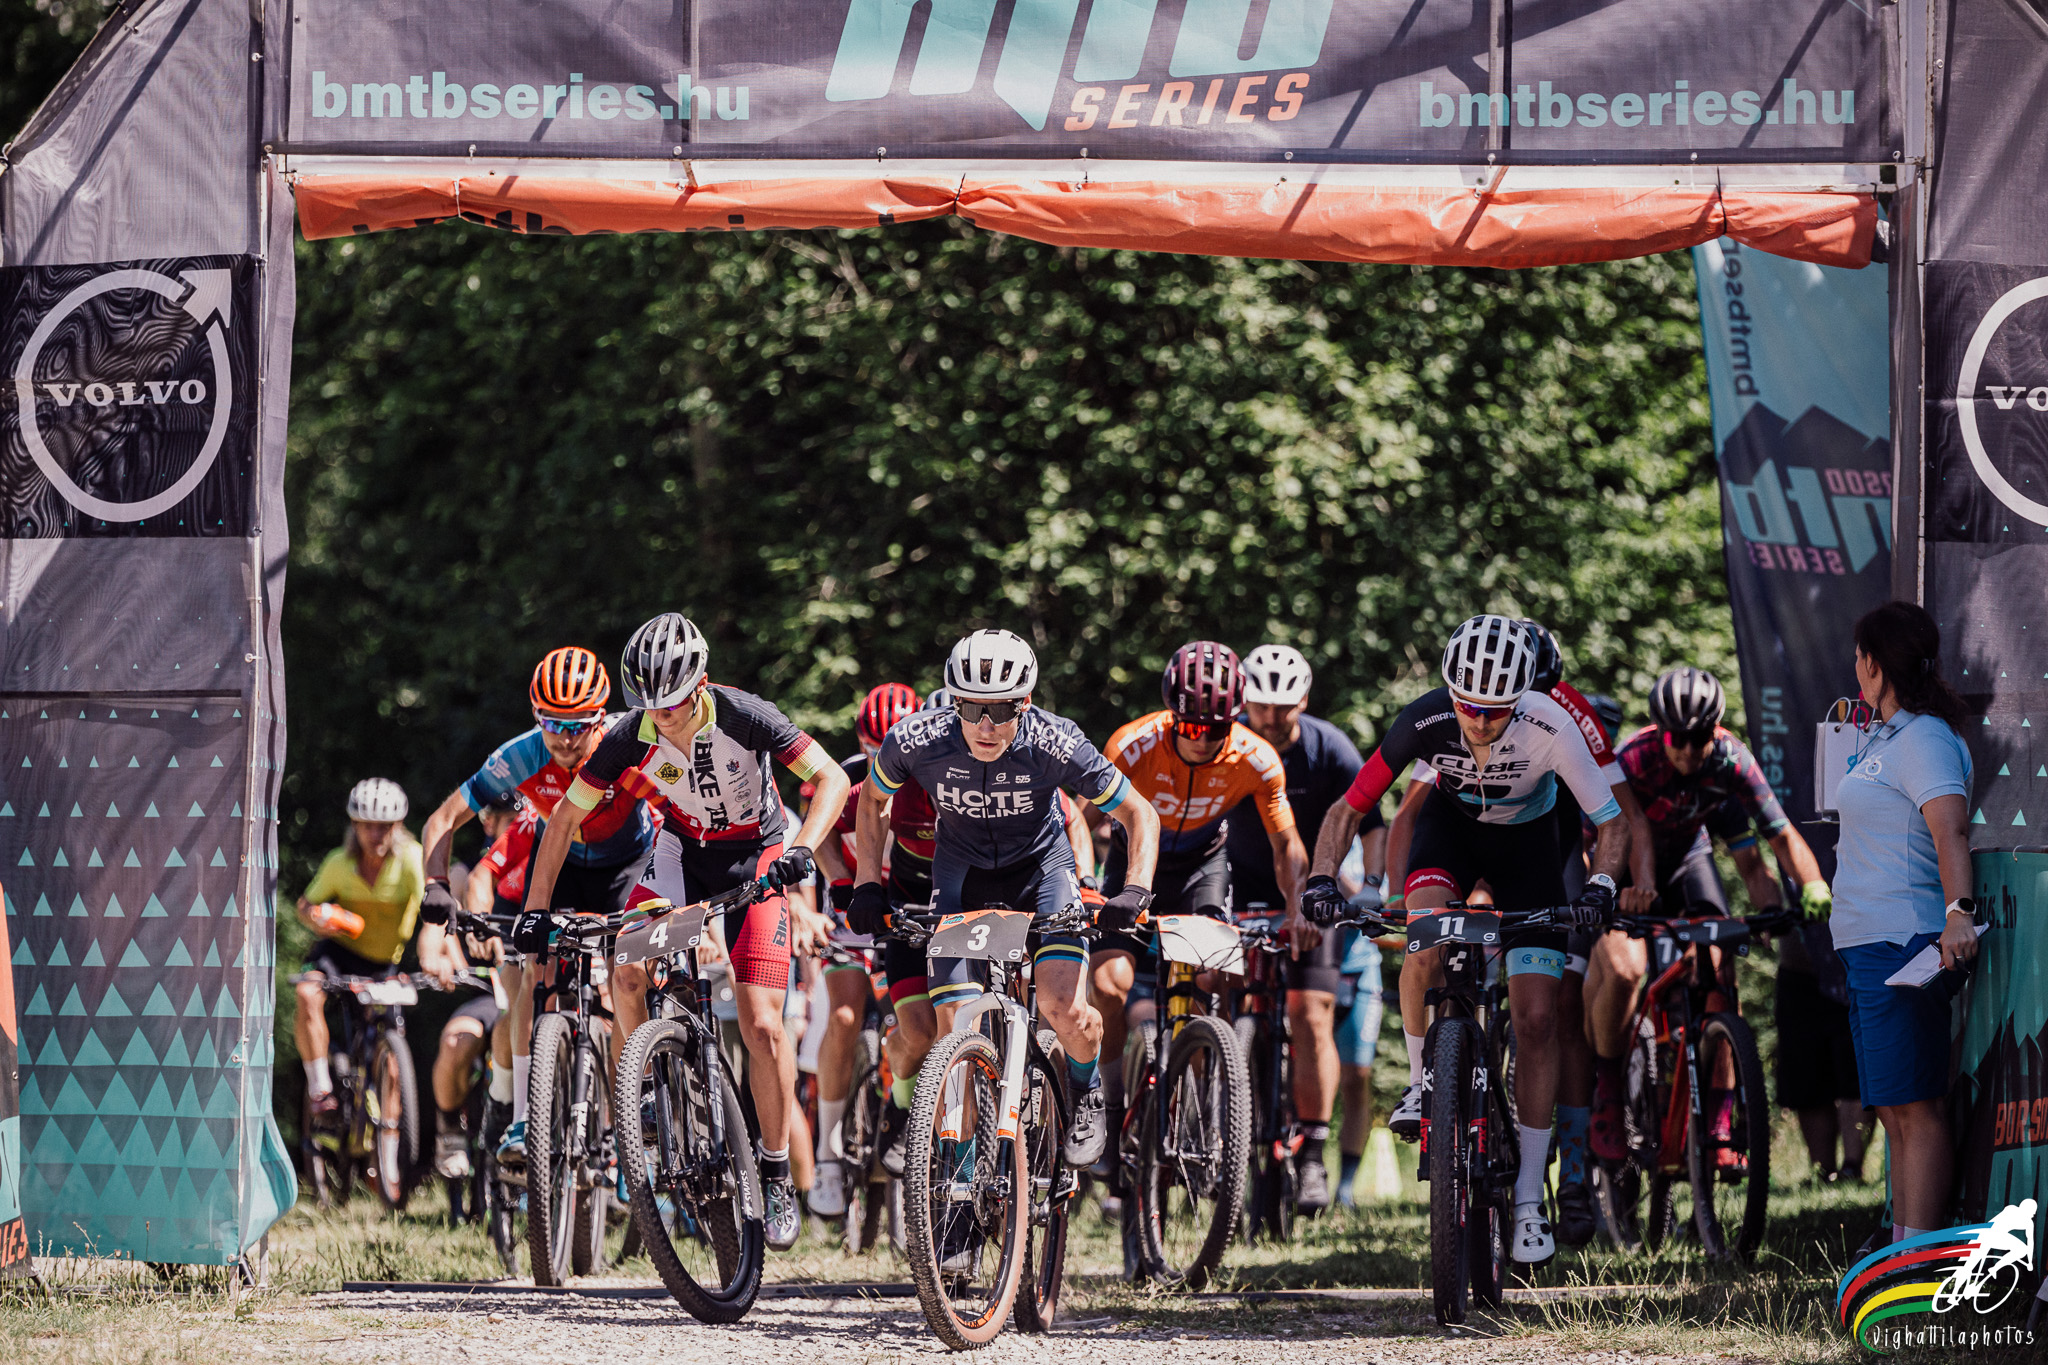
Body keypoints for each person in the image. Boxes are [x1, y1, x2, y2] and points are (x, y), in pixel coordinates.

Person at [1303, 614, 1629, 1265]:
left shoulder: (1551, 725)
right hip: (1450, 836)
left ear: (1522, 698)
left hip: (1529, 852)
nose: (1479, 720)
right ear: (1451, 692)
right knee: (1423, 943)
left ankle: (1530, 1199)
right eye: (1469, 705)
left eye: (1496, 709)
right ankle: (1422, 1084)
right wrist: (1320, 878)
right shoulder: (1424, 718)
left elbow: (1612, 821)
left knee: (1537, 1019)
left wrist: (1600, 886)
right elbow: (1349, 809)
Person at [529, 612, 848, 1251]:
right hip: (681, 855)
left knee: (763, 1025)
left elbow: (832, 779)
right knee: (625, 969)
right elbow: (563, 820)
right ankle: (644, 1089)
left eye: (672, 703)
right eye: (648, 703)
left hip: (758, 855)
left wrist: (803, 848)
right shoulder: (629, 734)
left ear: (700, 684)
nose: (661, 715)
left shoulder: (746, 713)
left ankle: (775, 1172)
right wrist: (536, 911)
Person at [848, 628, 1161, 1185]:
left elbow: (1140, 812)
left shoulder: (1056, 741)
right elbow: (871, 801)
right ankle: (963, 1175)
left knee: (1065, 1009)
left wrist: (1134, 889)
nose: (986, 725)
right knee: (953, 1026)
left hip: (1042, 873)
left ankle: (1085, 1089)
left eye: (1002, 709)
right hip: (961, 877)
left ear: (1027, 702)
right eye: (971, 708)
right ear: (953, 701)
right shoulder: (917, 739)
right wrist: (867, 884)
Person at [1583, 666, 1831, 1177]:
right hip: (1619, 862)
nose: (1688, 751)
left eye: (1699, 739)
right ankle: (1607, 1088)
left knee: (1719, 967)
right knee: (1626, 970)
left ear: (1714, 732)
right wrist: (1607, 891)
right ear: (1660, 732)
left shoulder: (1731, 758)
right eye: (1678, 739)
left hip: (1686, 858)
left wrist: (1811, 885)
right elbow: (1596, 839)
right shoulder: (1635, 758)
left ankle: (1718, 1122)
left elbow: (1776, 836)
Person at [417, 646, 655, 1168]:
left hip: (628, 865)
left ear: (602, 717)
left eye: (580, 726)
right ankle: (525, 1117)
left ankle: (631, 1117)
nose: (566, 739)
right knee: (534, 973)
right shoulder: (521, 756)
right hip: (562, 864)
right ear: (535, 717)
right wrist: (435, 883)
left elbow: (676, 807)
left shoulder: (627, 744)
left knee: (629, 979)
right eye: (553, 724)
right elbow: (443, 819)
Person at [1096, 641, 1304, 1201]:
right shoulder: (1132, 743)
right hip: (1134, 861)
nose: (1203, 740)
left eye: (1217, 729)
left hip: (1201, 867)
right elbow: (1081, 817)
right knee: (1109, 985)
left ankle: (1207, 1094)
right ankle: (1109, 1107)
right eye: (1190, 729)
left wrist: (1298, 908)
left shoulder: (1256, 757)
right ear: (1171, 715)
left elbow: (1287, 845)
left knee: (1213, 976)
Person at [1830, 601, 1977, 1246]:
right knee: (1894, 1110)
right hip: (1867, 944)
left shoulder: (1926, 739)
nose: (1855, 666)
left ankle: (1917, 1258)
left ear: (1875, 663)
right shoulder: (1885, 736)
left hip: (1906, 942)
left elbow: (1951, 832)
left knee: (1917, 1107)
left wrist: (1958, 915)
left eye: (1859, 655)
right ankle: (1904, 1246)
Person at [1227, 643, 1382, 1214]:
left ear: (1304, 701)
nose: (1270, 718)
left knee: (1309, 1010)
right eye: (1260, 706)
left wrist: (1371, 885)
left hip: (1314, 886)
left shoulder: (1330, 748)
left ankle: (1313, 1151)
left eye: (1283, 707)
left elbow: (1373, 824)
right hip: (1238, 885)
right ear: (1243, 701)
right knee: (1208, 990)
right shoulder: (1227, 743)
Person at [807, 681, 922, 1219]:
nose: (887, 759)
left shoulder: (934, 777)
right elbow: (821, 832)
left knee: (917, 1020)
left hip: (909, 908)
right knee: (846, 1015)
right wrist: (838, 880)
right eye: (876, 749)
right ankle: (828, 1153)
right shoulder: (848, 779)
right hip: (856, 908)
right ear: (861, 743)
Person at [294, 778, 431, 1126]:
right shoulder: (339, 862)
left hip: (384, 963)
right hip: (337, 953)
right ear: (354, 826)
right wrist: (316, 918)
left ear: (397, 826)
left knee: (392, 1061)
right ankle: (320, 1090)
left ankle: (391, 1144)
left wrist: (436, 949)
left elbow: (432, 909)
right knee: (307, 993)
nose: (375, 834)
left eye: (385, 826)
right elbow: (305, 905)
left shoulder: (411, 859)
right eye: (367, 825)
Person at [430, 790, 527, 1180]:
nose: (519, 827)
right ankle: (449, 1131)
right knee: (456, 1041)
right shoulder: (464, 872)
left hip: (532, 983)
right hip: (485, 990)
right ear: (489, 823)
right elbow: (436, 931)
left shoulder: (545, 858)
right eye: (510, 821)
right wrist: (442, 956)